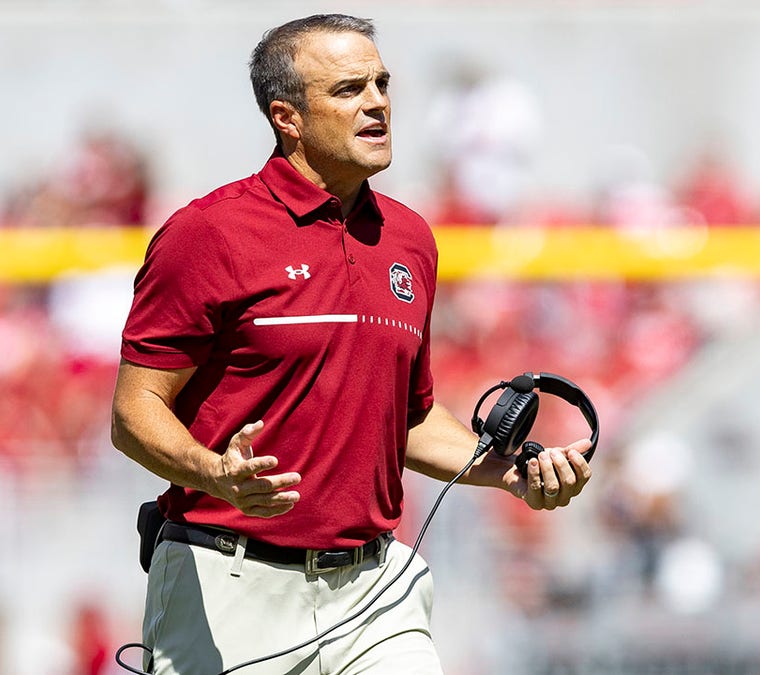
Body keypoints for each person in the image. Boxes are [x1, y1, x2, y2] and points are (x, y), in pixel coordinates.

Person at [111, 14, 593, 675]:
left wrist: (511, 473)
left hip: (373, 592)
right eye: (348, 90)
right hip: (228, 581)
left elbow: (412, 418)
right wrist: (211, 470)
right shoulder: (207, 234)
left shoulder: (410, 239)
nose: (377, 103)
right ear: (288, 117)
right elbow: (133, 412)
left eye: (382, 83)